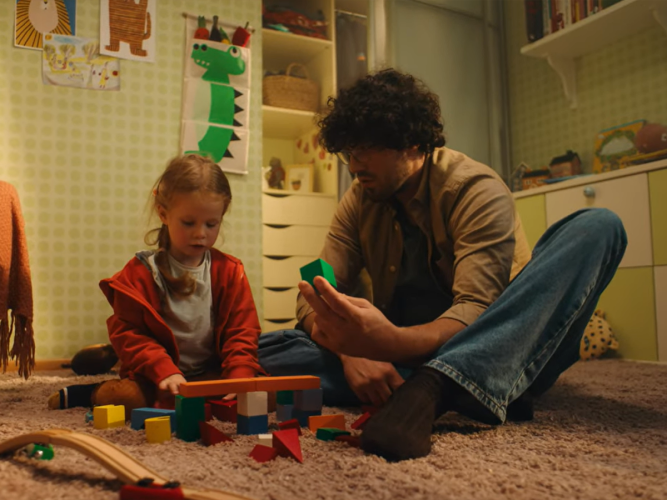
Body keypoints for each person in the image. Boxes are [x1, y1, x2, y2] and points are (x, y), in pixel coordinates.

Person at [258, 69, 627, 461]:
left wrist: (385, 343)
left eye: (368, 148)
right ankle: (476, 391)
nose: (354, 163)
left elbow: (474, 311)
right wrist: (356, 354)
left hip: (499, 346)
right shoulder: (360, 196)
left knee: (598, 226)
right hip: (402, 355)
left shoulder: (474, 189)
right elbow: (316, 287)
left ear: (413, 144)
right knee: (262, 351)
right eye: (350, 149)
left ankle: (439, 387)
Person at [48, 154, 262, 412]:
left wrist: (239, 375)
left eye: (211, 223)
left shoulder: (230, 271)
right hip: (157, 378)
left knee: (264, 395)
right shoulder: (141, 273)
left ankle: (205, 399)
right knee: (124, 398)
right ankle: (91, 392)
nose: (200, 233)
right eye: (188, 222)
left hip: (208, 375)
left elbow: (242, 332)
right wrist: (164, 372)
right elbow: (129, 335)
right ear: (163, 213)